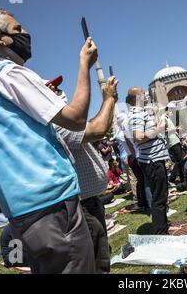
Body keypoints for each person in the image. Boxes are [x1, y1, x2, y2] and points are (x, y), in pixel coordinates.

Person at [0, 8, 96, 273]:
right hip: (51, 202)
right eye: (17, 30)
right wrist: (84, 65)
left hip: (23, 210)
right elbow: (75, 118)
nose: (26, 33)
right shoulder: (9, 73)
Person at [47, 76, 117, 273]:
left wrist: (109, 103)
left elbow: (98, 124)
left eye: (57, 86)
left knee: (99, 251)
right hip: (81, 203)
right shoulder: (53, 124)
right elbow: (99, 129)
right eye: (51, 88)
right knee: (95, 259)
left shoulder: (61, 122)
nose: (58, 90)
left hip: (88, 200)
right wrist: (109, 99)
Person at [127, 86, 170, 235]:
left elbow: (154, 129)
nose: (145, 94)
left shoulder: (142, 113)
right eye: (142, 93)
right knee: (159, 198)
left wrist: (156, 115)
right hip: (152, 160)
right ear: (136, 97)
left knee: (162, 195)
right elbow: (138, 137)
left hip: (155, 158)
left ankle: (163, 227)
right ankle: (161, 232)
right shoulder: (136, 114)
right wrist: (158, 130)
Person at [161, 103, 185, 187]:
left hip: (174, 141)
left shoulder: (167, 118)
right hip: (172, 142)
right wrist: (176, 129)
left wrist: (176, 131)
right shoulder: (163, 118)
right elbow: (164, 131)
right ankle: (183, 180)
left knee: (179, 162)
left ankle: (173, 178)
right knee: (180, 161)